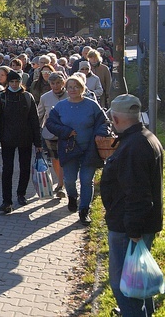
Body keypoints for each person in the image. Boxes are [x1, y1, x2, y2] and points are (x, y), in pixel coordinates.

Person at [101, 94, 163, 317]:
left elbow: (137, 193)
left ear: (116, 120)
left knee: (122, 285)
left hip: (128, 227)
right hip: (136, 223)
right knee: (139, 281)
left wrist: (133, 230)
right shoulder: (144, 137)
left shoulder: (134, 146)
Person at [45, 74, 109, 225]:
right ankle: (72, 197)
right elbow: (51, 124)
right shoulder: (61, 106)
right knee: (69, 180)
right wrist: (65, 131)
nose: (73, 90)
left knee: (87, 180)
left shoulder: (92, 105)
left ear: (82, 88)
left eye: (76, 87)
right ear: (66, 89)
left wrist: (100, 133)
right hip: (69, 149)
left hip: (89, 150)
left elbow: (104, 122)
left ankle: (84, 210)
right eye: (70, 87)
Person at [0, 69, 43, 214]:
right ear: (8, 83)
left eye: (17, 81)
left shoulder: (27, 97)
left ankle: (21, 193)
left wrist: (38, 143)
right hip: (7, 139)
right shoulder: (2, 97)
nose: (14, 84)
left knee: (24, 167)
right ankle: (6, 200)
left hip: (25, 139)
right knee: (7, 170)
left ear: (21, 82)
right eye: (12, 82)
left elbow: (34, 121)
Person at [36, 72, 68, 199]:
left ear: (63, 82)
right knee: (55, 159)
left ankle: (62, 184)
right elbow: (39, 115)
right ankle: (61, 183)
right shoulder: (45, 97)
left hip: (67, 133)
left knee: (65, 159)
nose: (56, 86)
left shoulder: (70, 94)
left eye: (58, 83)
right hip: (51, 133)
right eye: (53, 83)